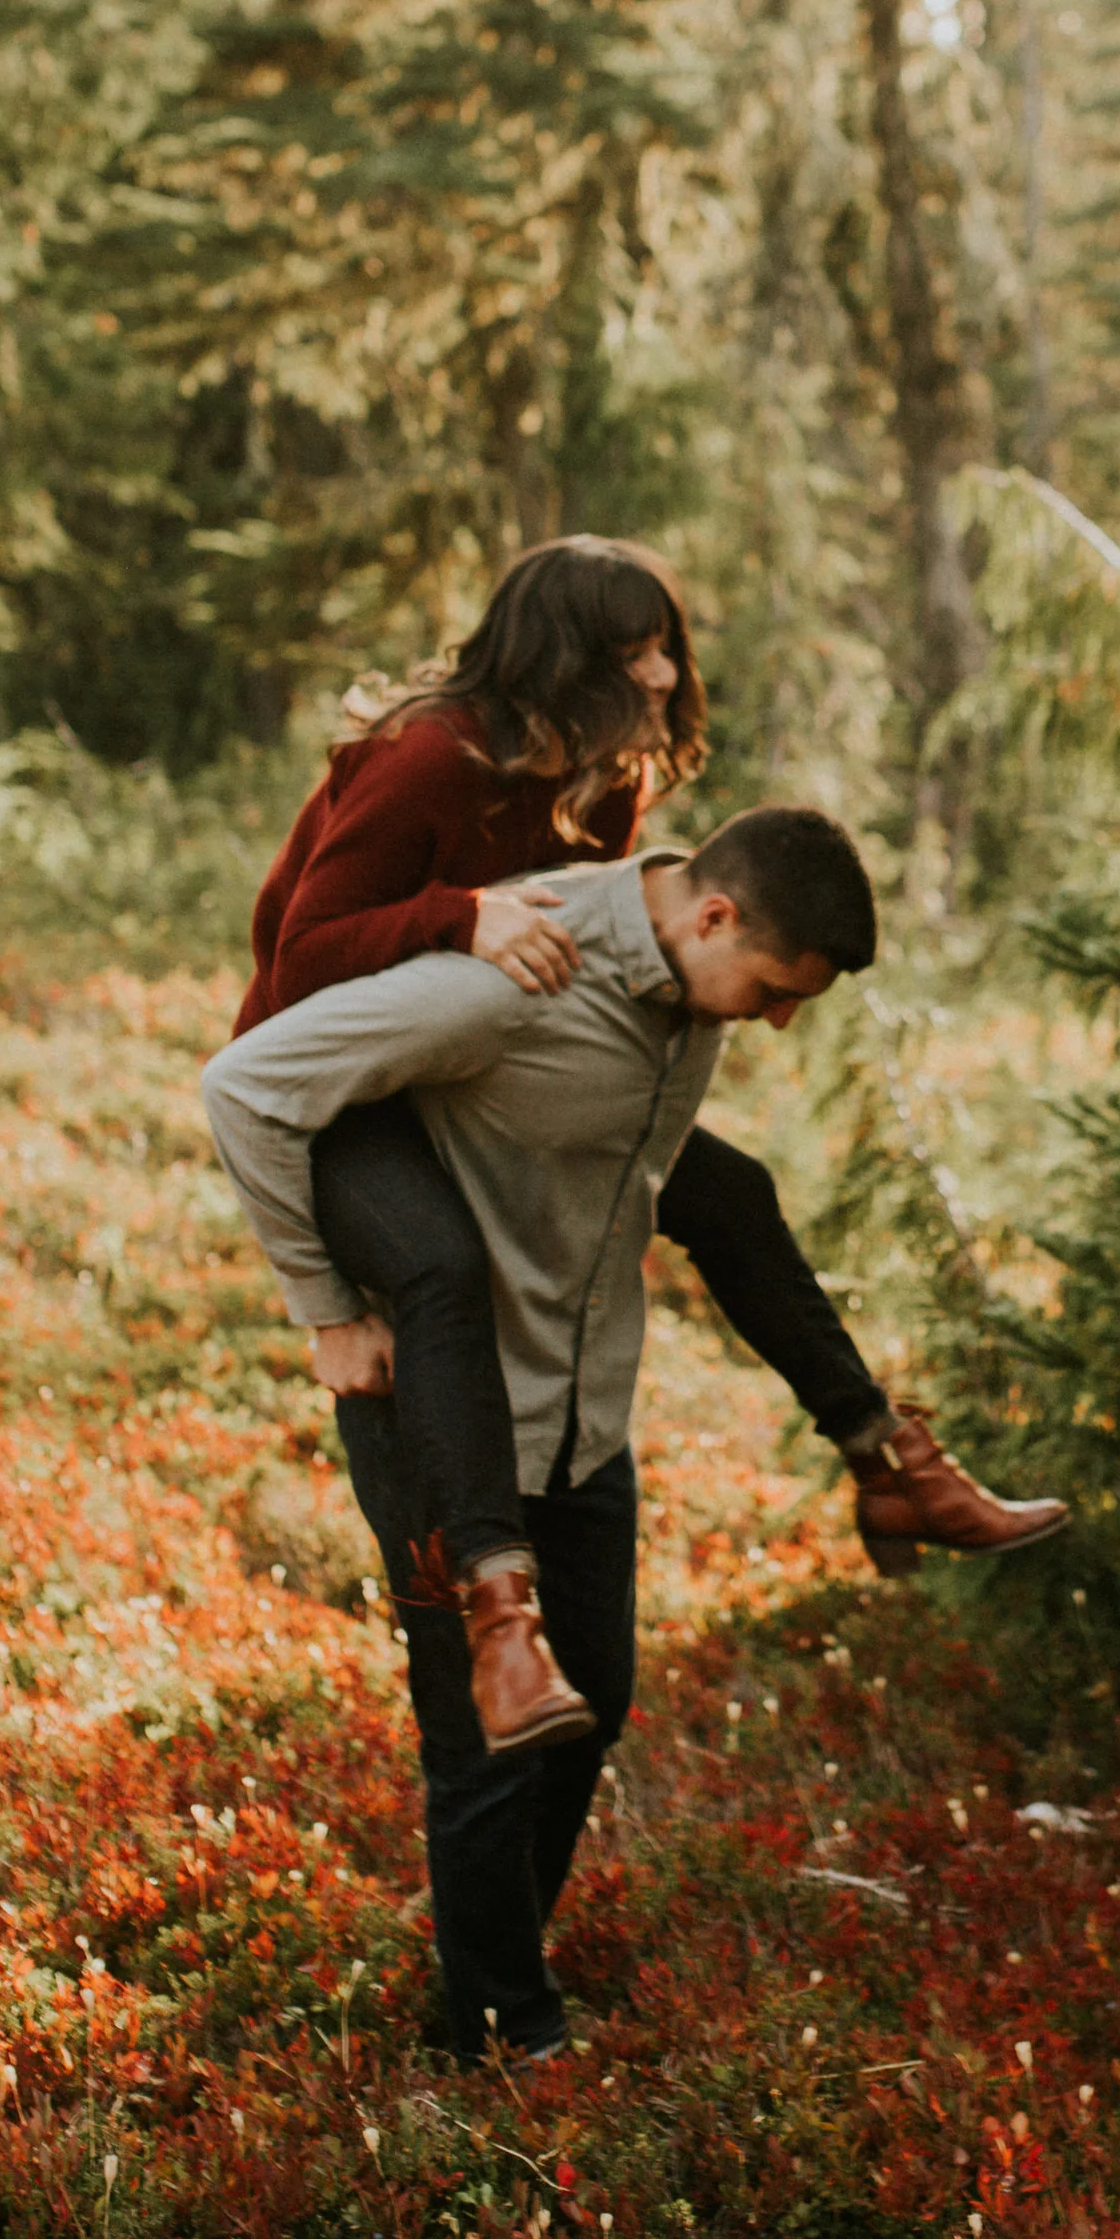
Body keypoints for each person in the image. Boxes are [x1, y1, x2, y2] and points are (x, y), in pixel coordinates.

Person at [232, 536, 1065, 1755]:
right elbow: (299, 958)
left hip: (470, 1071)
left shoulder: (599, 780)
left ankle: (890, 1459)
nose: (668, 674)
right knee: (443, 1267)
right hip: (343, 1096)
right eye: (637, 653)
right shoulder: (428, 762)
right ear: (561, 656)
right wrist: (459, 917)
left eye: (668, 646)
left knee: (729, 1192)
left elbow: (596, 954)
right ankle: (497, 1611)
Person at [205, 808, 897, 2065]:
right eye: (775, 992)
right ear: (714, 918)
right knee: (482, 1740)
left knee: (591, 1703)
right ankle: (499, 2032)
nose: (778, 1022)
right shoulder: (511, 982)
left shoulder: (683, 998)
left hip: (582, 1419)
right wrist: (327, 1310)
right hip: (443, 1415)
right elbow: (245, 1085)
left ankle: (498, 1966)